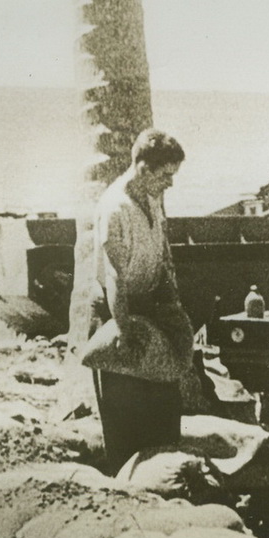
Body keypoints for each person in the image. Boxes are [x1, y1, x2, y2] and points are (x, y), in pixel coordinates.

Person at [81, 128, 198, 474]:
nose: (170, 183)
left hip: (149, 305)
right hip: (117, 311)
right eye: (166, 175)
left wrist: (171, 300)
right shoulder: (115, 207)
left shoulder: (151, 196)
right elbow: (115, 276)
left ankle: (162, 477)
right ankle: (126, 479)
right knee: (125, 413)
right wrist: (123, 330)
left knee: (163, 407)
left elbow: (162, 250)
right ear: (144, 169)